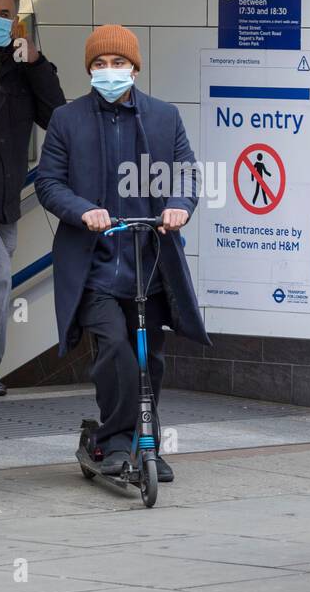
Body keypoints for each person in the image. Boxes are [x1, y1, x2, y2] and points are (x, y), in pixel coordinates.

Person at [35, 25, 209, 482]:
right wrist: (83, 211)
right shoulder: (66, 120)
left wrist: (179, 205)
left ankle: (145, 443)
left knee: (149, 358)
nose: (109, 72)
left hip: (148, 262)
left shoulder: (163, 117)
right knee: (115, 350)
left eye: (119, 63)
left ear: (135, 68)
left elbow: (187, 173)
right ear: (89, 69)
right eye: (99, 64)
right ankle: (112, 441)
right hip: (93, 266)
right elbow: (48, 183)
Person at [0, 0, 65, 396]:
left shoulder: (27, 68)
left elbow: (56, 117)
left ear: (16, 21)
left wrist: (37, 63)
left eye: (6, 15)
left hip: (5, 203)